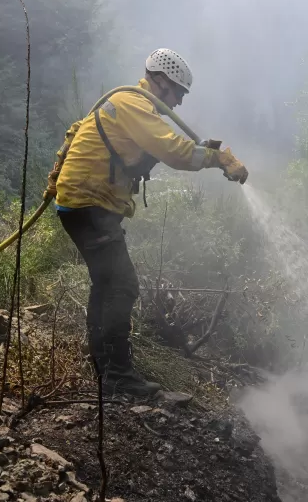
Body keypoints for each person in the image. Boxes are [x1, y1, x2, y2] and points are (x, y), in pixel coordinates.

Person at [53, 48, 249, 397]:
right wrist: (216, 157)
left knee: (106, 283)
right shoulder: (133, 104)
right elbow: (175, 151)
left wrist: (206, 151)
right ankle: (117, 377)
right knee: (122, 285)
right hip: (89, 200)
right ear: (160, 81)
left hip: (85, 202)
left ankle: (104, 367)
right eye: (178, 93)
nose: (179, 103)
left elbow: (148, 147)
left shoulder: (133, 106)